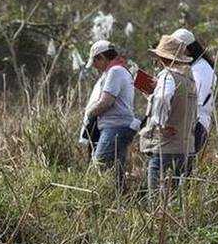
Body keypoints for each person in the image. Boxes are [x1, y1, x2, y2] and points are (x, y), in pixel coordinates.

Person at [139, 34, 198, 197]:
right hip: (185, 146)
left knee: (156, 195)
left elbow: (163, 98)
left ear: (162, 58)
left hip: (165, 146)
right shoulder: (189, 81)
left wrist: (160, 124)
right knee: (177, 196)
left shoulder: (167, 76)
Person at [82, 40, 138, 192]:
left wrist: (89, 112)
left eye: (95, 61)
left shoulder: (115, 71)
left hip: (115, 127)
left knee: (100, 165)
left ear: (101, 57)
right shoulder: (120, 70)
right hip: (120, 126)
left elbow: (106, 102)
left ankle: (102, 197)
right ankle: (121, 198)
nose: (95, 66)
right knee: (115, 170)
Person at [170, 28, 217, 164]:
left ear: (186, 49)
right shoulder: (195, 67)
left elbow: (195, 99)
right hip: (191, 123)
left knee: (181, 167)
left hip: (195, 124)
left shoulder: (200, 69)